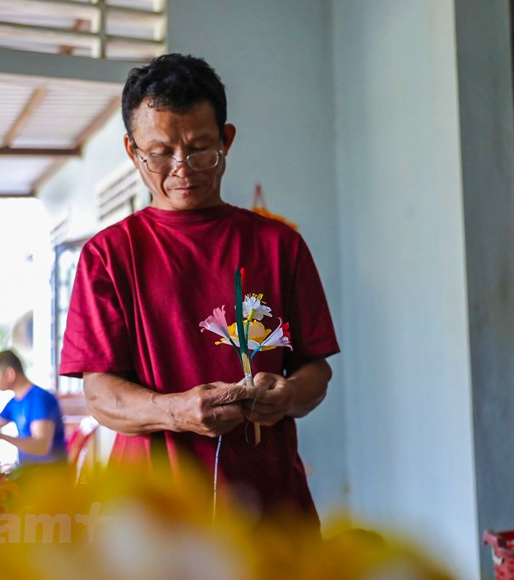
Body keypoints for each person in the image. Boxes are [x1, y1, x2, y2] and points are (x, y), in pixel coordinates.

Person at [59, 54, 339, 528]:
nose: (182, 169)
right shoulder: (108, 255)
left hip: (269, 511)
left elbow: (316, 371)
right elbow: (101, 395)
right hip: (152, 519)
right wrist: (176, 411)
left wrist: (287, 394)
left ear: (227, 140)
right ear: (132, 151)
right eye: (160, 152)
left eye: (200, 149)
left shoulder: (278, 245)